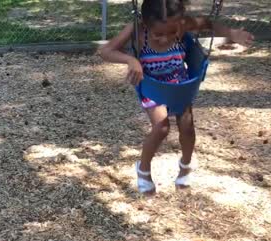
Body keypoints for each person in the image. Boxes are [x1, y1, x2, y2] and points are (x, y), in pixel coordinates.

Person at [98, 0, 254, 194]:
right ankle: (143, 168)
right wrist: (130, 59)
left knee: (187, 127)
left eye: (172, 33)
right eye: (159, 34)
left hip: (179, 84)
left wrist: (232, 33)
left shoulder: (180, 24)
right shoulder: (137, 31)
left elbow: (207, 22)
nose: (166, 39)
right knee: (162, 128)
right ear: (146, 25)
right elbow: (105, 51)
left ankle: (185, 166)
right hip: (152, 86)